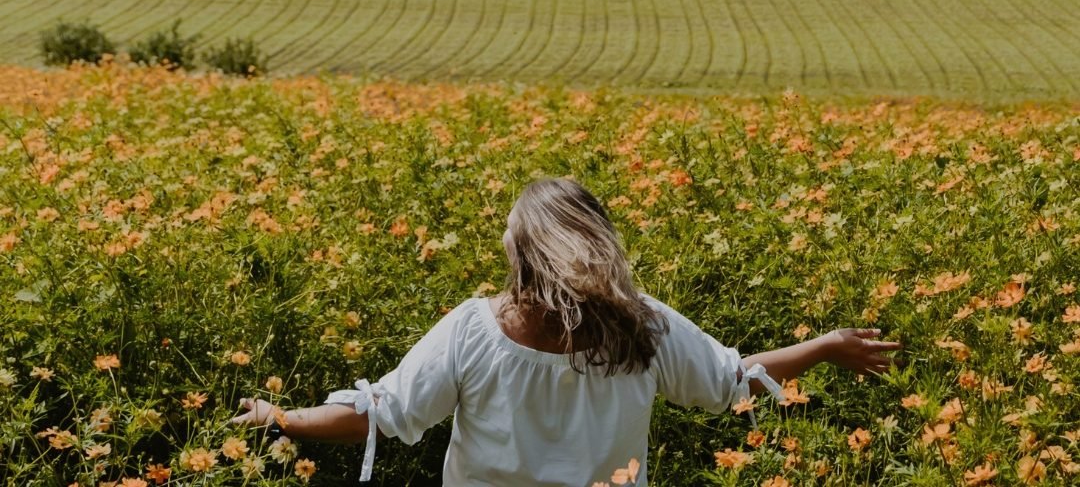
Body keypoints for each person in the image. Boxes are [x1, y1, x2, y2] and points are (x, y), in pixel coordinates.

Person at [232, 177, 899, 485]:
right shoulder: (645, 325)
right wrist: (826, 347)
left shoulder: (474, 329)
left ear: (518, 251)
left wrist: (282, 417)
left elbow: (385, 412)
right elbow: (732, 382)